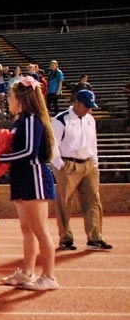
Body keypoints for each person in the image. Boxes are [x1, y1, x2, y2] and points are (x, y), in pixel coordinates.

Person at [0, 77, 58, 291]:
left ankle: (49, 277)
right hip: (22, 177)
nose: (8, 101)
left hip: (34, 177)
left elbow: (29, 151)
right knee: (26, 228)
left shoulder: (32, 119)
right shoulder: (21, 120)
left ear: (21, 99)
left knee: (40, 229)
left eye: (11, 97)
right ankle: (27, 272)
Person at [51, 90, 111, 251]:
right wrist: (59, 164)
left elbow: (93, 142)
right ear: (76, 103)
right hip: (68, 164)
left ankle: (95, 237)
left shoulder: (90, 119)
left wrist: (95, 162)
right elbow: (52, 144)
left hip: (88, 164)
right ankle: (66, 238)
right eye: (86, 106)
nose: (89, 110)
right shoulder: (60, 120)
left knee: (93, 200)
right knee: (64, 202)